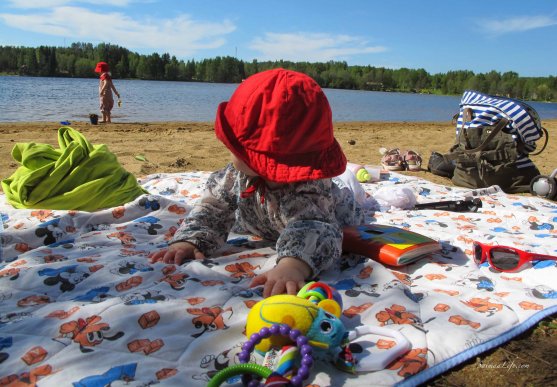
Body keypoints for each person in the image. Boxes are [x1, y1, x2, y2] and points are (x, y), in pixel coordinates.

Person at [149, 68, 363, 297]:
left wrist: (292, 265)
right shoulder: (234, 177)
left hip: (338, 207)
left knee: (348, 189)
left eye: (236, 148)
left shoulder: (310, 187)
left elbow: (314, 227)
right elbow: (212, 209)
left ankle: (354, 176)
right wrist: (191, 240)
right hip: (265, 224)